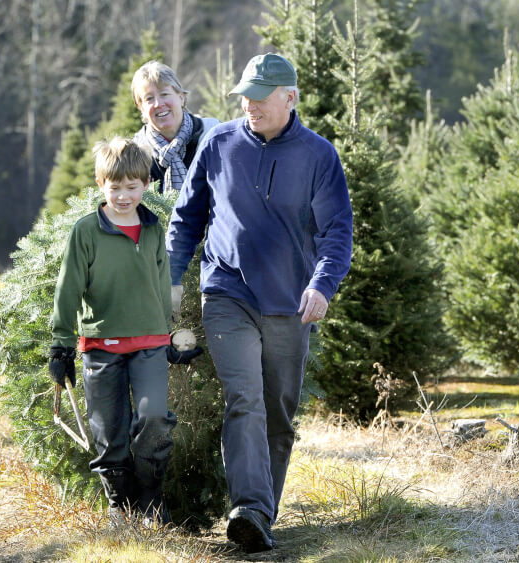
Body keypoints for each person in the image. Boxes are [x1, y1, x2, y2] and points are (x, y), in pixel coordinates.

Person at [166, 53, 353, 552]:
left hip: (291, 302)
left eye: (260, 95)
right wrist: (168, 286)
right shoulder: (219, 143)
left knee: (278, 411)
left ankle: (260, 516)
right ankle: (248, 506)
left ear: (289, 97)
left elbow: (337, 231)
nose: (249, 104)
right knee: (244, 398)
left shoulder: (318, 156)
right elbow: (186, 221)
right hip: (227, 291)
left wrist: (322, 284)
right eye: (245, 95)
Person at [48, 137, 202, 527]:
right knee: (108, 429)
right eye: (115, 187)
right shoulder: (86, 232)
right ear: (102, 184)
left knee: (152, 420)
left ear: (145, 186)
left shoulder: (152, 229)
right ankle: (121, 505)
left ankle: (151, 500)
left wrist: (169, 336)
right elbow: (69, 289)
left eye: (132, 187)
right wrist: (62, 346)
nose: (123, 195)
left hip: (149, 343)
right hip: (101, 345)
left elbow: (160, 283)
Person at [131, 60, 219, 193]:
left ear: (181, 97)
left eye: (164, 94)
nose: (158, 104)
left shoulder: (213, 133)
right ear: (141, 108)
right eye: (149, 98)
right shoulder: (135, 152)